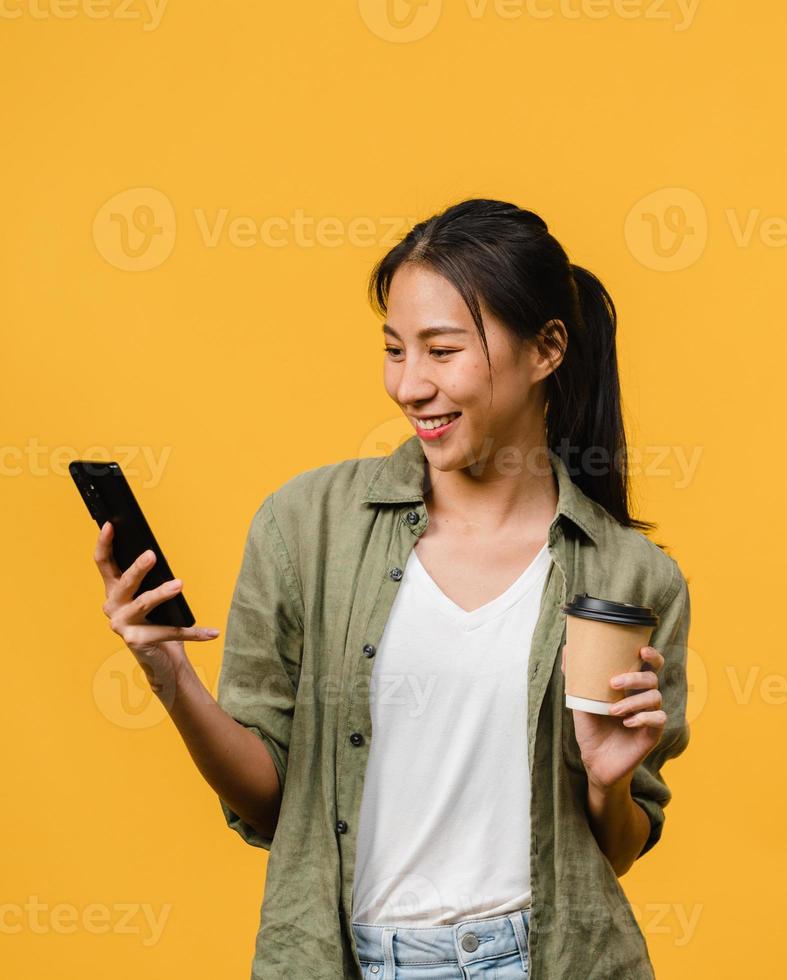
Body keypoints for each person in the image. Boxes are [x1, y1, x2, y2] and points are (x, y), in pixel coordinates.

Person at [91, 198, 694, 979]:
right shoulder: (306, 527)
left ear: (546, 350)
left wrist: (611, 787)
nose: (409, 385)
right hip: (346, 959)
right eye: (394, 350)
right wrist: (167, 674)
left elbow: (616, 853)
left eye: (441, 351)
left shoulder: (632, 578)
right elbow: (269, 805)